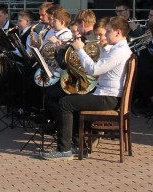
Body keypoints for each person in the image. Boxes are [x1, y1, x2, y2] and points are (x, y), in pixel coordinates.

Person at [41, 15, 133, 161]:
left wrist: (80, 50)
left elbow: (95, 70)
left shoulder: (118, 51)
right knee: (72, 100)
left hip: (109, 98)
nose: (105, 35)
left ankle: (64, 149)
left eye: (108, 32)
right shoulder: (117, 49)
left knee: (65, 103)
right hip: (106, 94)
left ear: (118, 32)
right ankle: (79, 146)